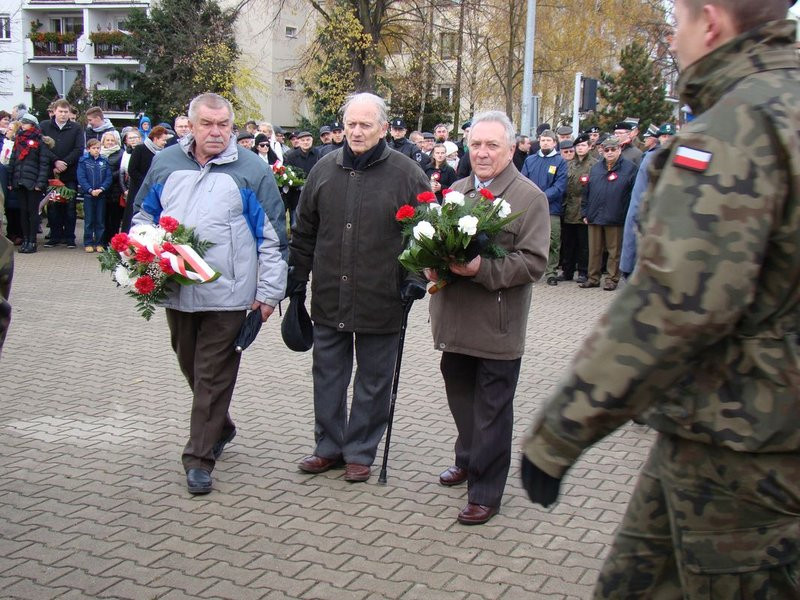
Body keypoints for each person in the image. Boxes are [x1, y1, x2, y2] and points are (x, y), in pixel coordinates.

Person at [521, 1, 800, 597]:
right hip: (716, 432)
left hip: (743, 450)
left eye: (678, 23)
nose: (672, 42)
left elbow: (675, 304)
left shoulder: (737, 127)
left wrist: (560, 432)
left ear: (713, 22)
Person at [132, 93, 288, 495]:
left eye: (223, 125)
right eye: (207, 124)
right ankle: (222, 425)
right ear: (192, 125)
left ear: (232, 127)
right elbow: (142, 217)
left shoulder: (252, 170)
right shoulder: (166, 163)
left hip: (230, 296)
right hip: (178, 290)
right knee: (191, 366)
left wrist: (268, 296)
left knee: (212, 375)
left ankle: (199, 458)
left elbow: (273, 238)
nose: (216, 132)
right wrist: (142, 257)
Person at [289, 92, 430, 483]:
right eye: (350, 124)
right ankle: (328, 446)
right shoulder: (323, 169)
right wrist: (296, 280)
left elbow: (426, 233)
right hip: (330, 293)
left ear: (383, 128)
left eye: (365, 124)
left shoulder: (407, 173)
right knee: (328, 374)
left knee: (373, 379)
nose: (355, 131)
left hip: (382, 295)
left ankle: (360, 450)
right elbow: (304, 231)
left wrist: (415, 278)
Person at [425, 110, 549, 525]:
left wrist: (483, 269)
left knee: (492, 411)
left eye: (492, 145)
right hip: (455, 321)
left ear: (511, 149)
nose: (482, 152)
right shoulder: (456, 189)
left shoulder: (529, 197)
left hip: (498, 326)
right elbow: (440, 244)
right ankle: (467, 458)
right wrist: (429, 264)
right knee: (461, 399)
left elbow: (533, 263)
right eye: (476, 144)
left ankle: (485, 491)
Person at [579, 136, 637, 291]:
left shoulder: (630, 168)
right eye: (607, 150)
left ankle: (612, 279)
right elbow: (586, 192)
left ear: (619, 150)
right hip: (594, 215)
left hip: (616, 215)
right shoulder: (596, 168)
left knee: (614, 251)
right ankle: (593, 278)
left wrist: (628, 214)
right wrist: (585, 212)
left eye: (613, 149)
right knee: (594, 250)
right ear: (602, 151)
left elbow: (634, 194)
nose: (610, 153)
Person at [521, 130, 568, 286]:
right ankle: (531, 270)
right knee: (529, 239)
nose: (545, 143)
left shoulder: (560, 161)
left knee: (553, 240)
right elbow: (523, 181)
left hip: (551, 208)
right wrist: (532, 199)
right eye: (543, 140)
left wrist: (541, 198)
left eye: (548, 140)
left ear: (555, 143)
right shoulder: (530, 160)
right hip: (531, 208)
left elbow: (560, 186)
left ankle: (551, 272)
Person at [41, 99, 84, 249]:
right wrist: (55, 162)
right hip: (52, 174)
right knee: (53, 206)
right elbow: (43, 147)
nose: (63, 115)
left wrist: (65, 162)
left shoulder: (76, 128)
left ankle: (70, 237)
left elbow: (79, 149)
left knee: (70, 206)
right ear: (54, 111)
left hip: (69, 173)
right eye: (61, 111)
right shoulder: (45, 126)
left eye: (66, 112)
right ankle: (55, 236)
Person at [6, 114, 49, 253]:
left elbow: (44, 164)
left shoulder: (40, 140)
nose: (23, 125)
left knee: (33, 212)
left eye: (25, 123)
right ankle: (25, 240)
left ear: (32, 124)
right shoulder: (18, 140)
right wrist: (11, 180)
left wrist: (40, 182)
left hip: (33, 182)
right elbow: (13, 160)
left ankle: (32, 241)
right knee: (23, 212)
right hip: (19, 180)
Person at [560, 133, 596, 283]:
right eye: (578, 146)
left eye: (583, 146)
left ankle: (583, 271)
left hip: (583, 208)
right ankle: (567, 271)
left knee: (584, 243)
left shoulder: (594, 165)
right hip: (569, 207)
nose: (580, 149)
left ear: (589, 147)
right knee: (568, 242)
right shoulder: (568, 164)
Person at [122, 126, 168, 232]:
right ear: (155, 138)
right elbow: (132, 170)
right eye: (163, 140)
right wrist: (146, 183)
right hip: (138, 189)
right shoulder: (140, 149)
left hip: (154, 191)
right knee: (131, 217)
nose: (165, 143)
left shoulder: (163, 153)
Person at [77, 138, 112, 252]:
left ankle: (99, 243)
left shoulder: (104, 161)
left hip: (101, 195)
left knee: (100, 220)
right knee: (89, 220)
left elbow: (108, 177)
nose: (96, 150)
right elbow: (81, 178)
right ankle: (88, 242)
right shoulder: (84, 161)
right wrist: (90, 190)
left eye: (98, 148)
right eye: (94, 148)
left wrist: (101, 189)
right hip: (88, 195)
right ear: (88, 149)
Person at [99, 130, 124, 246]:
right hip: (100, 190)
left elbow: (121, 171)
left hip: (114, 190)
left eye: (112, 140)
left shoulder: (121, 153)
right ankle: (102, 241)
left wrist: (107, 177)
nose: (109, 142)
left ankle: (113, 241)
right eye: (107, 140)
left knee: (114, 218)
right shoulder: (97, 153)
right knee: (102, 217)